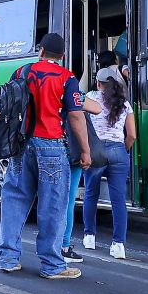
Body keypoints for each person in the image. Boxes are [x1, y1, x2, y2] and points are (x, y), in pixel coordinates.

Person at [0, 33, 92, 279]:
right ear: (61, 56)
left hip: (21, 144)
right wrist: (85, 149)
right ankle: (52, 265)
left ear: (40, 51)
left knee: (15, 199)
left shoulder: (20, 72)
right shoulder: (67, 77)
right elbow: (75, 115)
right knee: (53, 205)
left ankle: (8, 258)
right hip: (51, 145)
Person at [82, 67, 137, 260]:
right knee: (118, 200)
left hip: (96, 150)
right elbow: (131, 135)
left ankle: (89, 236)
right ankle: (118, 245)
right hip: (118, 151)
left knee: (91, 193)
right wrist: (124, 150)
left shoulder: (91, 96)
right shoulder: (125, 104)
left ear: (98, 83)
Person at [61, 93, 102, 264]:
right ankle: (63, 246)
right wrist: (78, 95)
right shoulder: (70, 88)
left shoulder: (46, 87)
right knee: (68, 201)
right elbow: (97, 108)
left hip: (50, 148)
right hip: (72, 151)